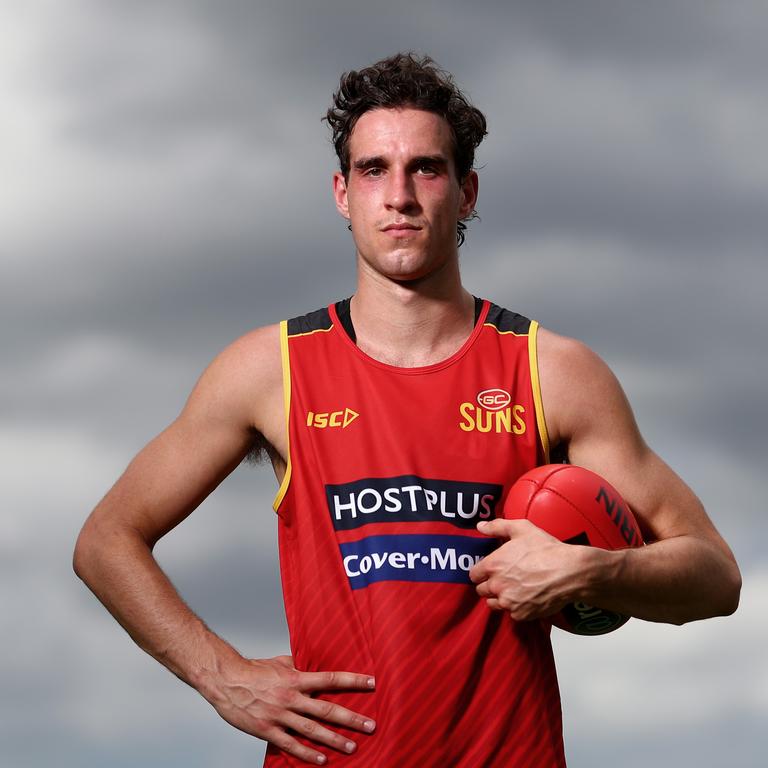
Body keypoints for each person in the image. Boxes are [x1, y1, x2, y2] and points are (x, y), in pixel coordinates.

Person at [73, 53, 741, 767]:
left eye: (425, 168)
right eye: (373, 170)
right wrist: (224, 679)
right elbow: (106, 542)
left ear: (466, 190)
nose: (399, 195)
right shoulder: (271, 368)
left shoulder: (552, 371)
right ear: (342, 192)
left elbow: (715, 576)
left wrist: (591, 571)